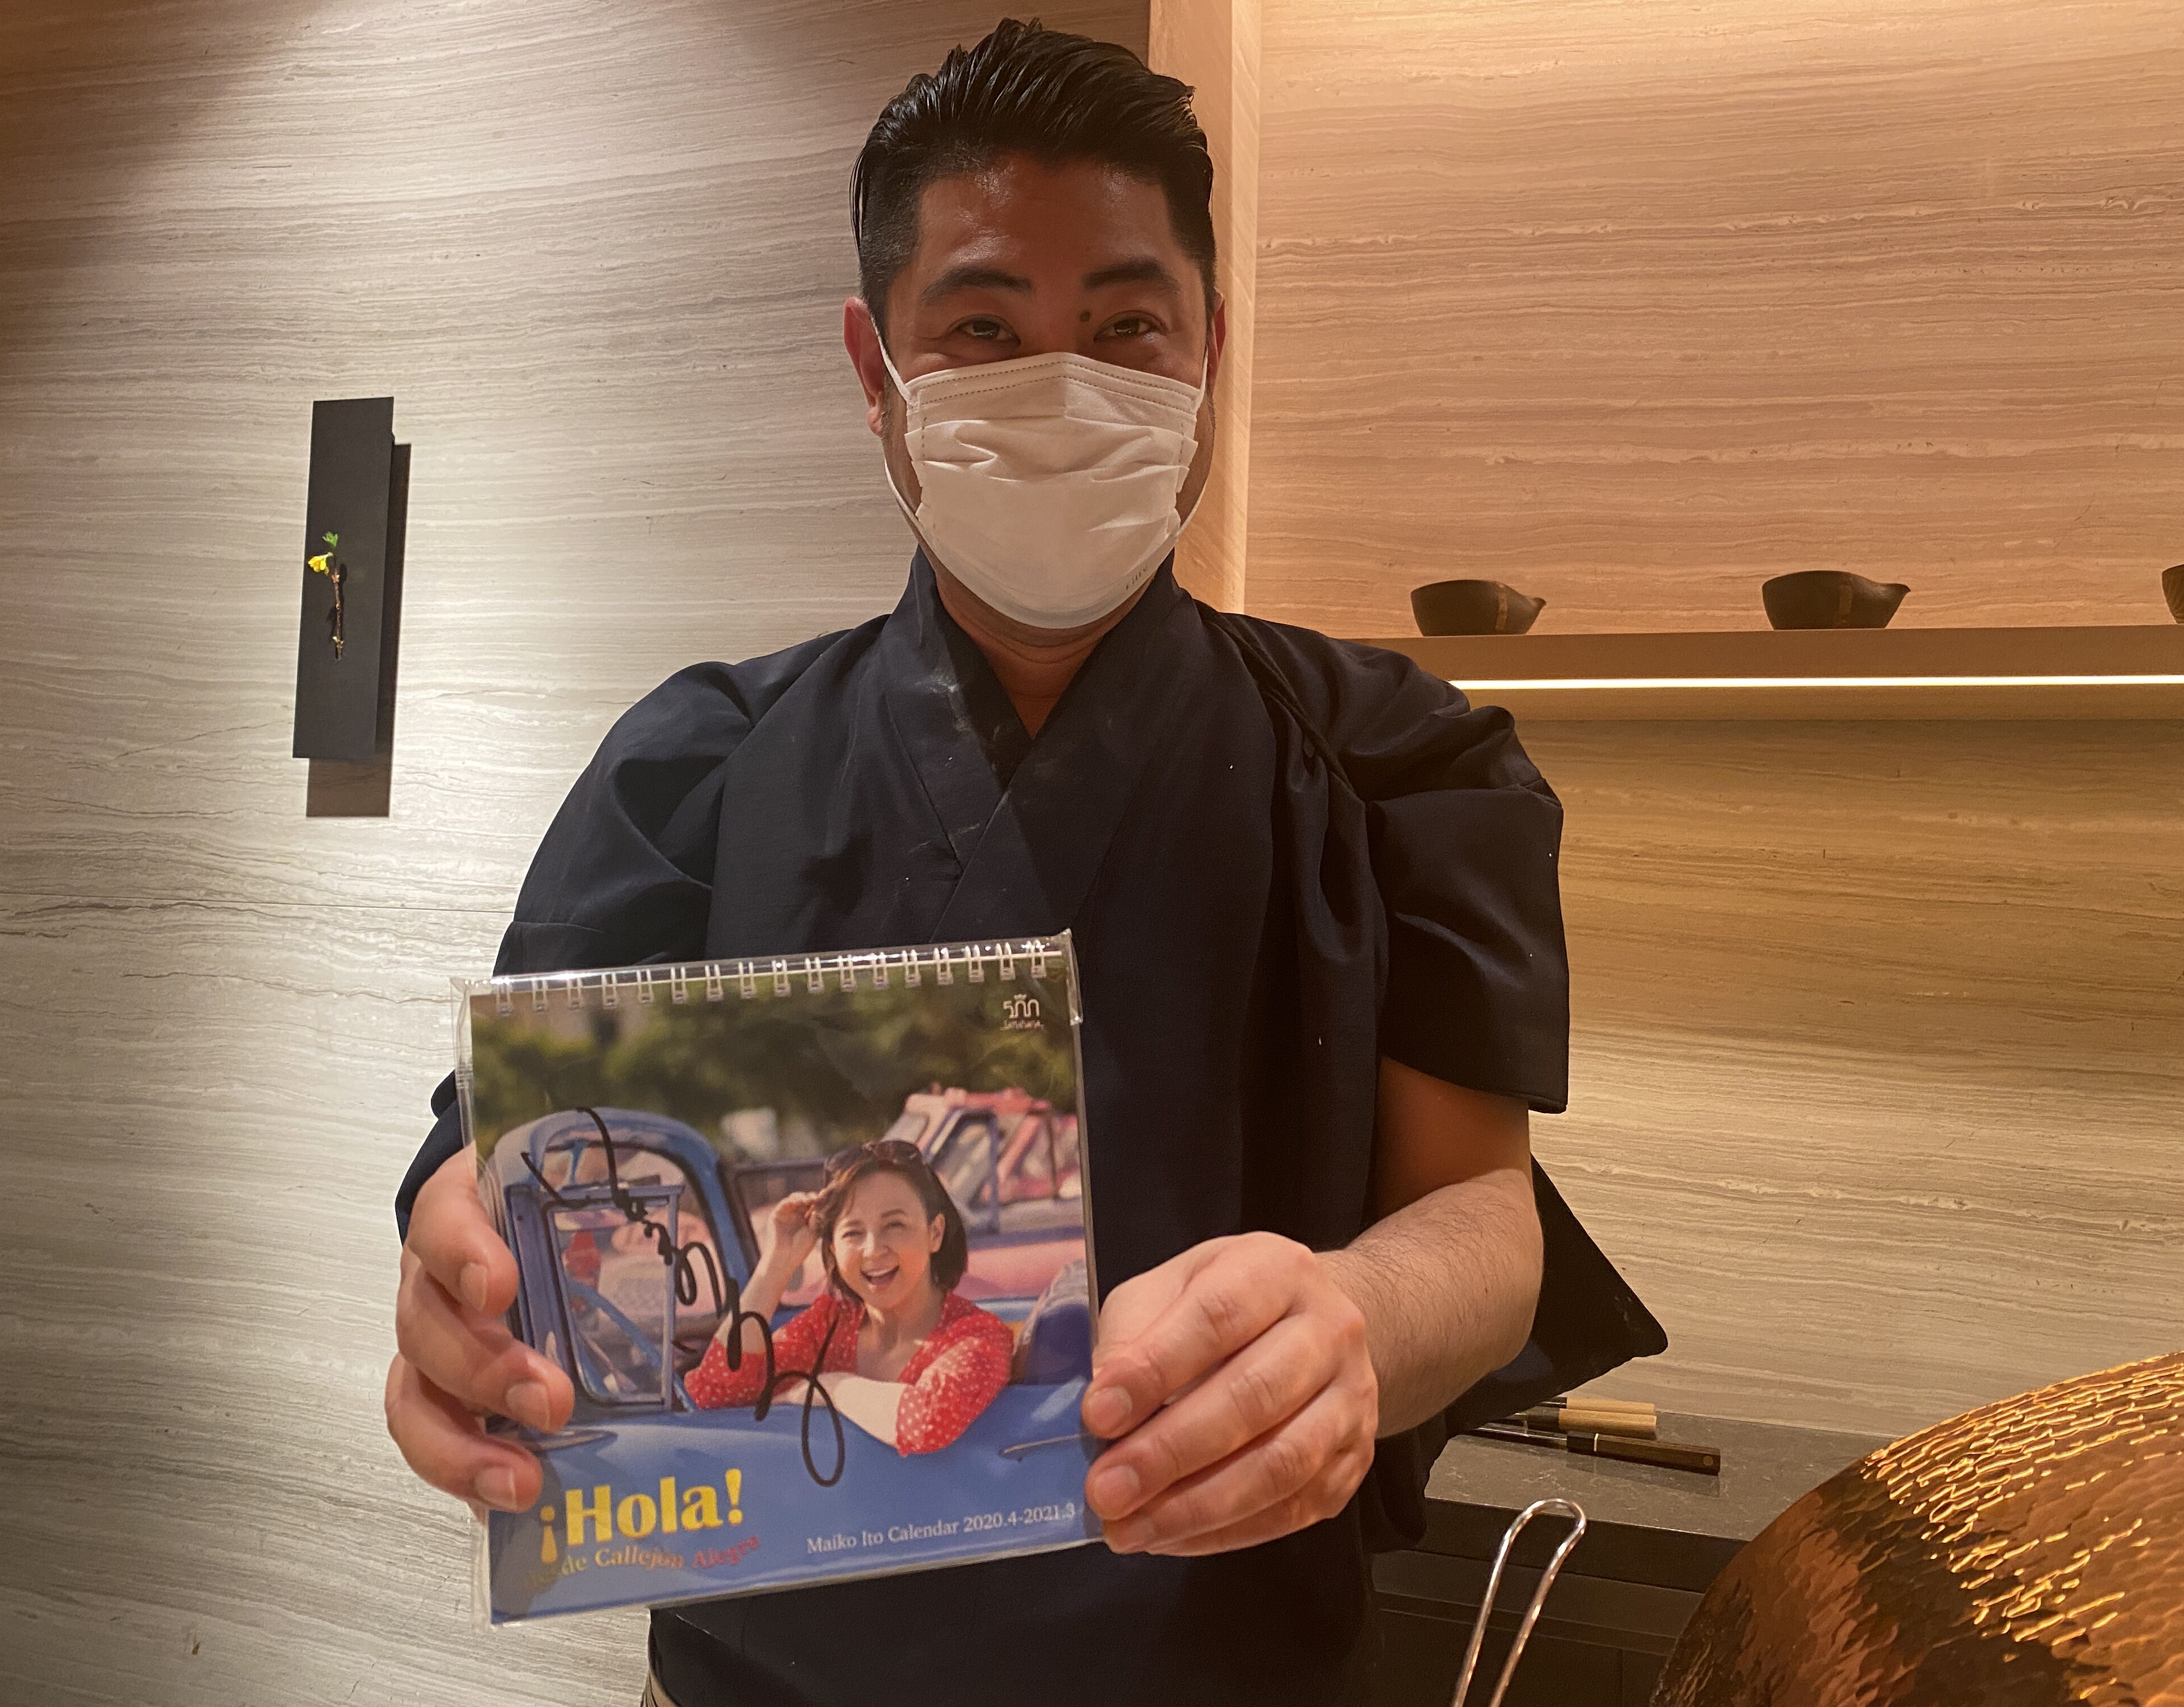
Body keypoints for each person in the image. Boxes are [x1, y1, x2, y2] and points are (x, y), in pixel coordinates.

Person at [385, 20, 1659, 1705]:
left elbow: (1479, 1217)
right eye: (983, 330)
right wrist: (458, 1277)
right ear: (876, 369)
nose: (1063, 389)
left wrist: (1358, 1316)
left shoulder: (1395, 765)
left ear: (1211, 347)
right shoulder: (694, 770)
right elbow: (504, 1158)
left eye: (1127, 328)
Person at [684, 1140, 1012, 1455]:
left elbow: (926, 1422)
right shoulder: (829, 1326)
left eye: (895, 1225)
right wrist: (777, 1263)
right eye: (853, 1232)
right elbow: (715, 1391)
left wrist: (830, 1388)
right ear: (833, 1247)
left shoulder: (978, 1336)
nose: (873, 1250)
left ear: (934, 1234)